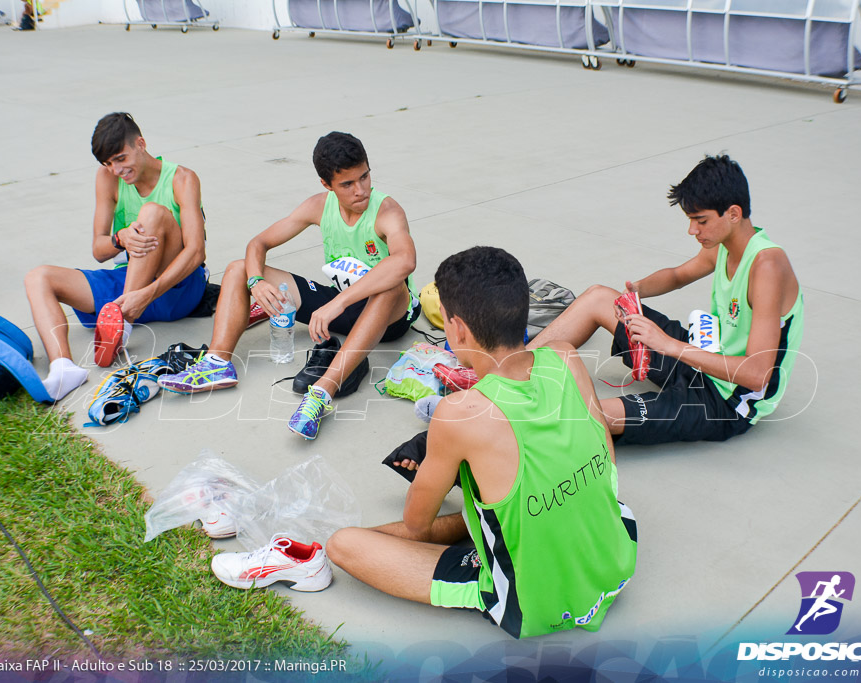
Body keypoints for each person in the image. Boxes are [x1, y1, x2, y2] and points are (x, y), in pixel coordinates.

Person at [326, 246, 637, 639]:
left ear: (457, 330)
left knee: (344, 544)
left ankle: (485, 538)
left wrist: (443, 464)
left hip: (535, 600)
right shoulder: (565, 356)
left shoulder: (459, 413)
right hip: (616, 554)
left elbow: (416, 524)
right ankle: (490, 523)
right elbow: (607, 461)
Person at [159, 132, 418, 441]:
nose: (360, 190)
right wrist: (255, 281)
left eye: (364, 177)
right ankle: (217, 363)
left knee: (390, 286)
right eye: (347, 184)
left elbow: (405, 261)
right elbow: (259, 242)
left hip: (389, 317)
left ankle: (321, 394)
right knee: (238, 269)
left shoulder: (387, 211)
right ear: (327, 185)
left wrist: (338, 302)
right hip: (343, 307)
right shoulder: (318, 206)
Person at [529, 154, 804, 444]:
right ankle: (504, 372)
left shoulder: (767, 267)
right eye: (690, 220)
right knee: (600, 297)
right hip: (702, 353)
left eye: (701, 221)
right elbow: (677, 275)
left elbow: (756, 374)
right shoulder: (724, 242)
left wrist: (669, 345)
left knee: (592, 416)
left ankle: (503, 429)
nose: (692, 230)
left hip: (727, 401)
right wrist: (636, 290)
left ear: (733, 213)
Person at [24, 112, 208, 400]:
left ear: (141, 144)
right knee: (39, 277)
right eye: (108, 163)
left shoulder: (182, 178)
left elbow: (196, 251)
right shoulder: (107, 178)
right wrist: (120, 237)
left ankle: (121, 324)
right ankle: (63, 367)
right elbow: (99, 249)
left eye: (121, 158)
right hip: (129, 286)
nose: (116, 169)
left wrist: (147, 294)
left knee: (152, 213)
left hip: (176, 287)